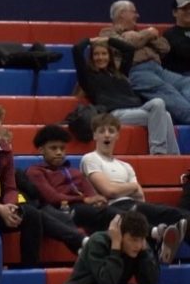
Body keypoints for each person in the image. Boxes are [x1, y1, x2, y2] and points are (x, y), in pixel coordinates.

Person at [78, 112, 189, 264]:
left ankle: (163, 243)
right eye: (102, 131)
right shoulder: (90, 158)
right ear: (94, 135)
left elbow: (140, 196)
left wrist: (129, 189)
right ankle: (159, 237)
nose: (107, 135)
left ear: (117, 135)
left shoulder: (126, 166)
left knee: (180, 215)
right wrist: (132, 186)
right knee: (160, 215)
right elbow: (109, 190)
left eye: (111, 131)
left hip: (134, 205)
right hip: (110, 209)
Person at [72, 37, 179, 155]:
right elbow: (76, 50)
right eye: (96, 54)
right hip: (116, 113)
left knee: (160, 104)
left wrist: (108, 40)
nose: (100, 57)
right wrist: (90, 40)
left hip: (137, 109)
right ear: (91, 58)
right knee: (164, 115)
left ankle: (174, 156)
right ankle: (158, 152)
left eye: (104, 54)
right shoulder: (88, 77)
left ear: (109, 56)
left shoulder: (120, 73)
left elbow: (129, 49)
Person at [24, 124, 125, 237]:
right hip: (60, 210)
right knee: (117, 217)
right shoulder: (35, 172)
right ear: (41, 150)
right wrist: (84, 199)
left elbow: (91, 194)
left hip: (85, 209)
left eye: (62, 148)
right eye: (53, 148)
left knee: (120, 217)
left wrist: (98, 201)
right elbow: (52, 198)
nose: (59, 152)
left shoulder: (74, 172)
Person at [100, 0, 190, 125]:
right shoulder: (107, 33)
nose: (137, 15)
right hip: (136, 72)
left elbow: (165, 47)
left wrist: (141, 36)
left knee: (187, 82)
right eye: (134, 12)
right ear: (121, 14)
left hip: (158, 69)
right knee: (166, 90)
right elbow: (127, 46)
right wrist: (148, 34)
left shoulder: (138, 32)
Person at [0, 103, 44, 268]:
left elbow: (10, 187)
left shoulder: (5, 151)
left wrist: (10, 207)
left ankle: (29, 270)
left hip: (2, 206)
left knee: (31, 214)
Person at [162, 0, 190, 76]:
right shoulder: (169, 35)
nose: (189, 11)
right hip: (180, 75)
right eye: (184, 8)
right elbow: (185, 53)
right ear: (174, 12)